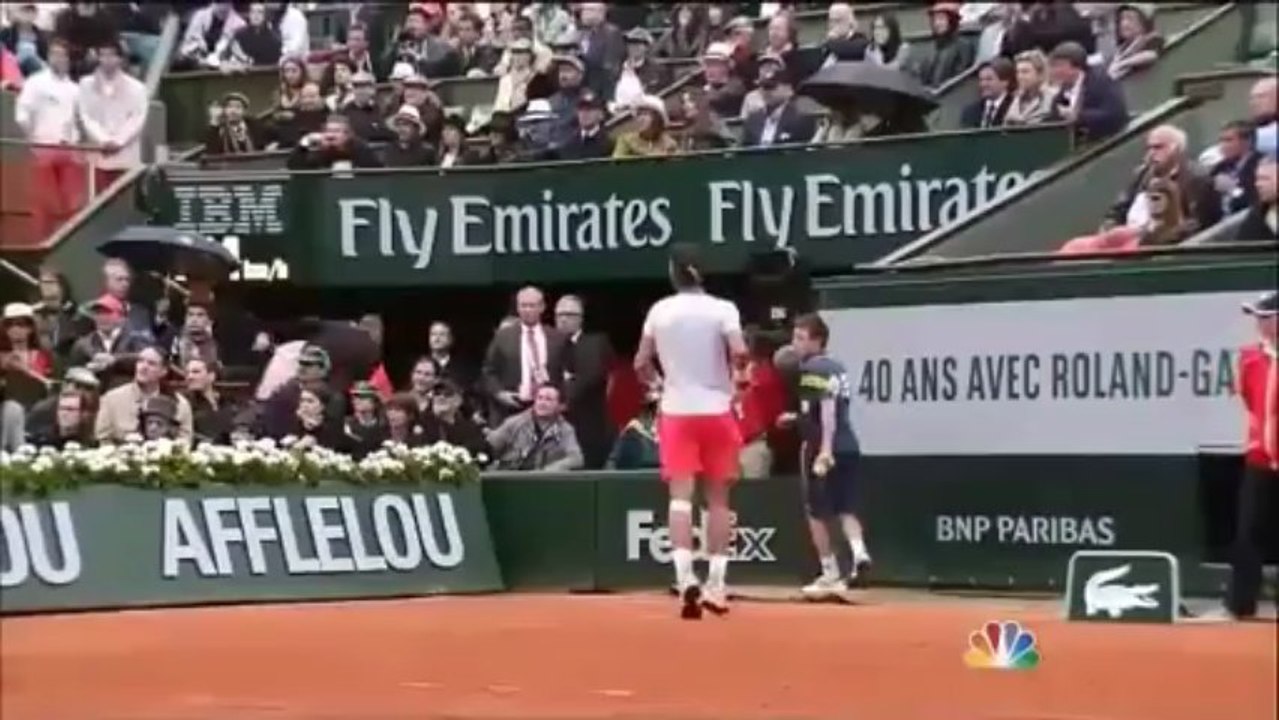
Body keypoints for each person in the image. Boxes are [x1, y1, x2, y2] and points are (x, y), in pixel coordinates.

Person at [634, 243, 748, 619]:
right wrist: (738, 383)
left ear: (674, 272)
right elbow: (740, 353)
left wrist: (659, 385)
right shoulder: (723, 310)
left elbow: (641, 363)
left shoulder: (659, 311)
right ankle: (716, 584)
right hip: (717, 410)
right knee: (718, 501)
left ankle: (685, 579)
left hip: (677, 412)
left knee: (680, 499)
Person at [787, 313, 872, 598]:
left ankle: (829, 572)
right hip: (849, 445)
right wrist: (796, 418)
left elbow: (827, 410)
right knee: (846, 507)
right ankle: (859, 554)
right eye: (794, 337)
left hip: (826, 447)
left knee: (815, 512)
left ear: (817, 341)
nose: (794, 343)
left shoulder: (813, 367)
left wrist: (824, 450)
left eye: (800, 338)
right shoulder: (836, 366)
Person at [1218, 291, 1278, 621]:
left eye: (1266, 316)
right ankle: (1240, 603)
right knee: (1249, 532)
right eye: (1258, 317)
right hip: (1259, 461)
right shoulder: (1248, 359)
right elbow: (1250, 402)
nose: (1260, 323)